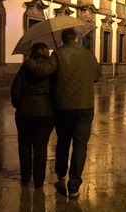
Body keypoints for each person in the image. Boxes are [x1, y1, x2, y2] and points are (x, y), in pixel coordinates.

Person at [24, 27, 100, 199]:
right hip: (85, 107)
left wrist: (30, 62)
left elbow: (43, 71)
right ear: (77, 38)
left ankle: (61, 172)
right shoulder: (89, 55)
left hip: (63, 107)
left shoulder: (57, 55)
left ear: (62, 40)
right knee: (80, 145)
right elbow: (96, 76)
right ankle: (74, 186)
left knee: (63, 141)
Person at [10, 43, 54, 189]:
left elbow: (15, 92)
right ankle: (39, 182)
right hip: (45, 113)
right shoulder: (51, 70)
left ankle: (25, 178)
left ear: (32, 53)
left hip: (25, 113)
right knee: (41, 147)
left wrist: (21, 105)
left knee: (24, 144)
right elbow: (56, 91)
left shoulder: (24, 68)